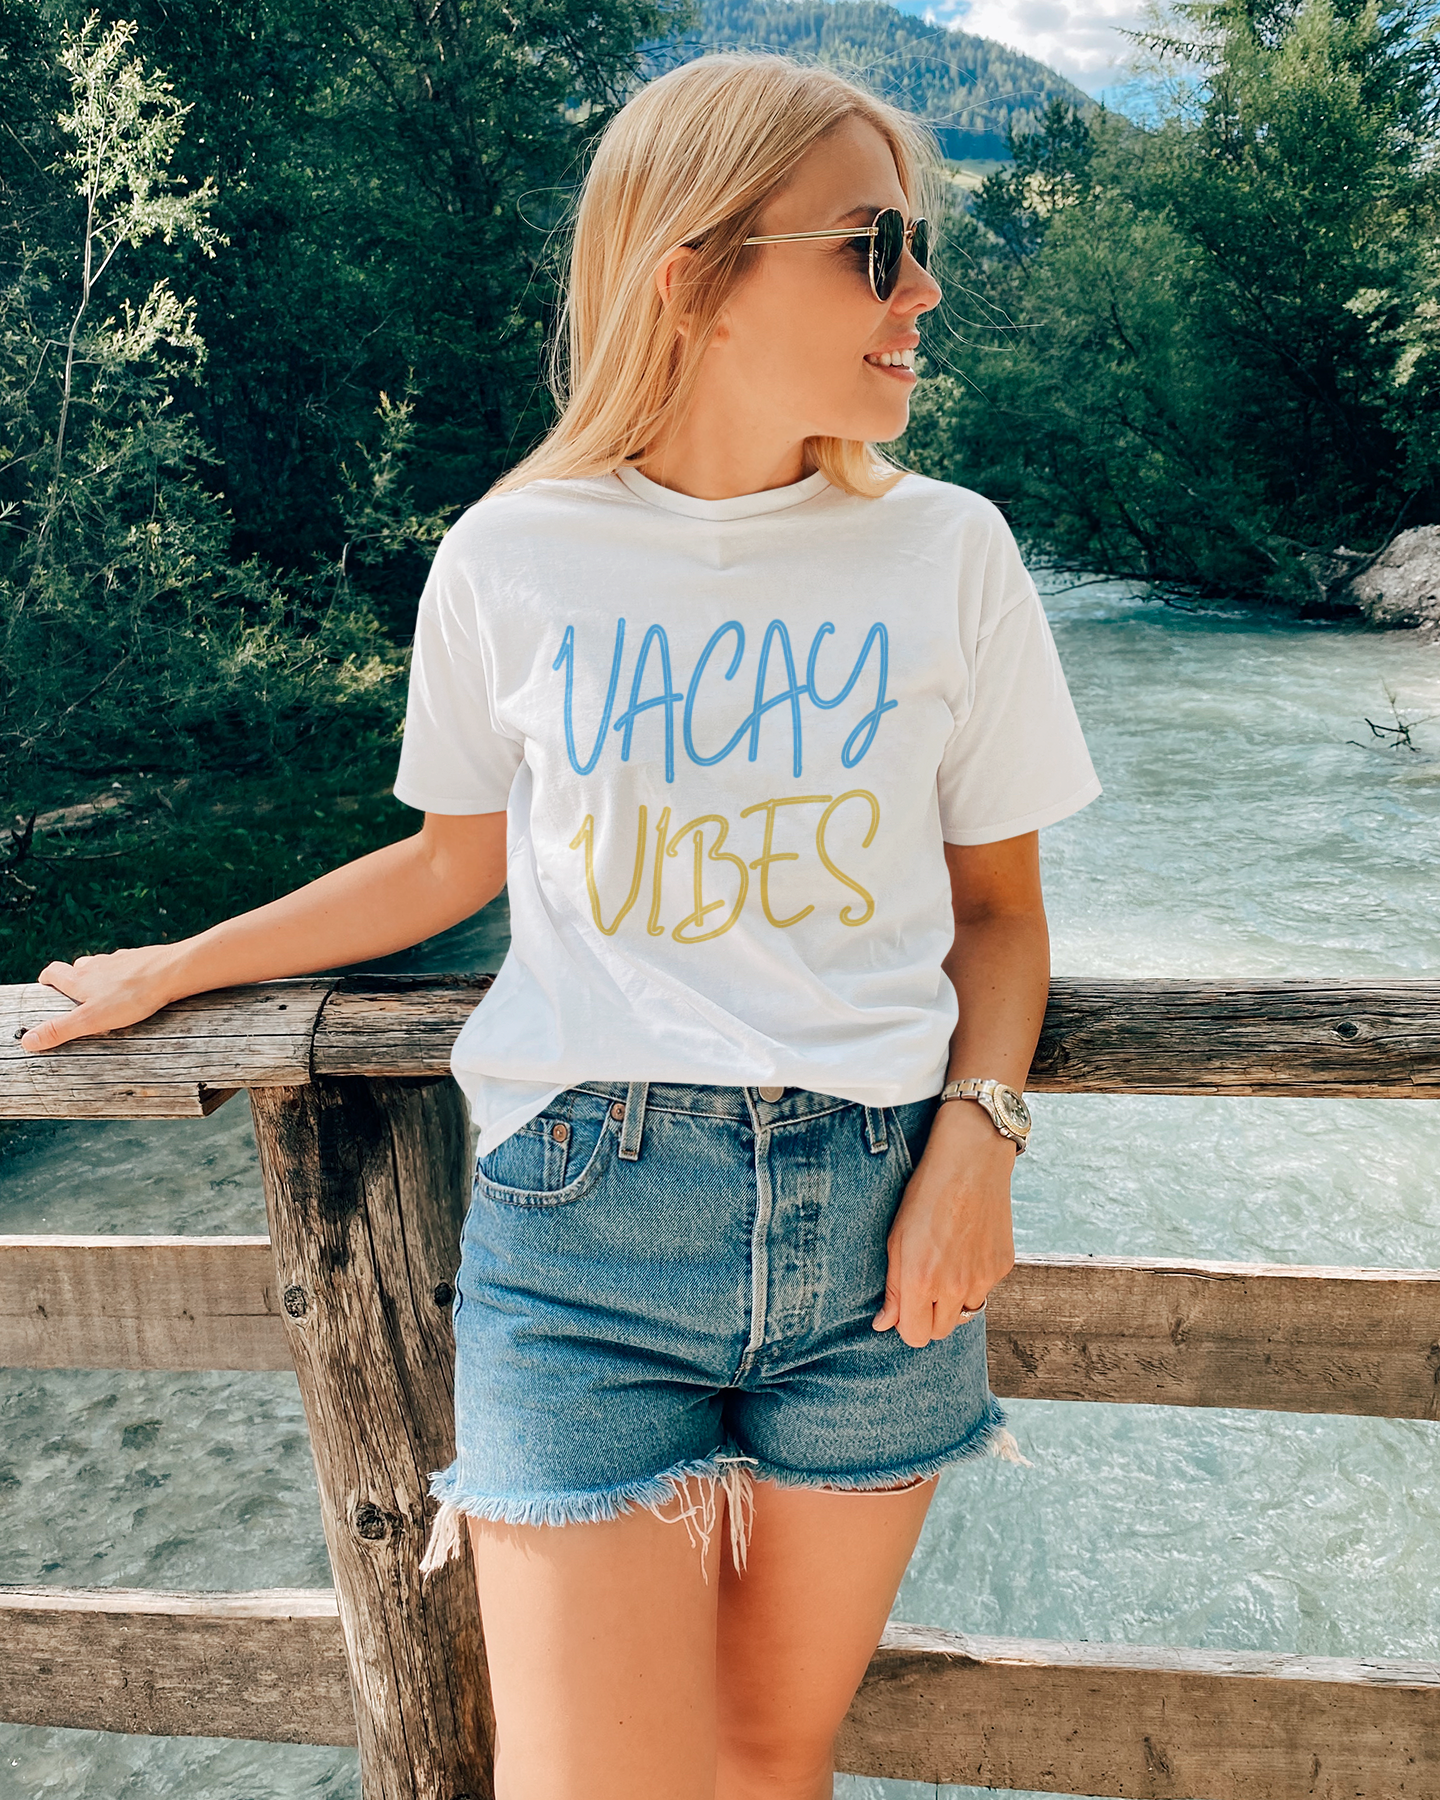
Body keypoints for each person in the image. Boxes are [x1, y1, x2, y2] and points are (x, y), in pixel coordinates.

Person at [23, 52, 1100, 1800]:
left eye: (913, 244)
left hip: (883, 1225)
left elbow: (1000, 914)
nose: (922, 288)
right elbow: (451, 864)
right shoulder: (513, 553)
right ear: (694, 271)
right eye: (872, 242)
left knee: (766, 1762)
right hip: (582, 1230)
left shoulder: (951, 553)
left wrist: (980, 1138)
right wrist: (181, 965)